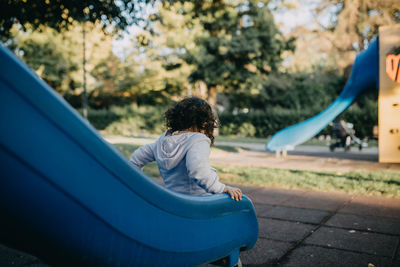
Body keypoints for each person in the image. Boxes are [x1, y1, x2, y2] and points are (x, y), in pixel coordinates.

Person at [129, 97, 242, 201]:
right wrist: (221, 188)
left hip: (175, 199)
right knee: (240, 204)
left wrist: (141, 185)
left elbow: (135, 160)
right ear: (204, 123)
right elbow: (197, 170)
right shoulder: (198, 140)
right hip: (199, 201)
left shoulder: (163, 141)